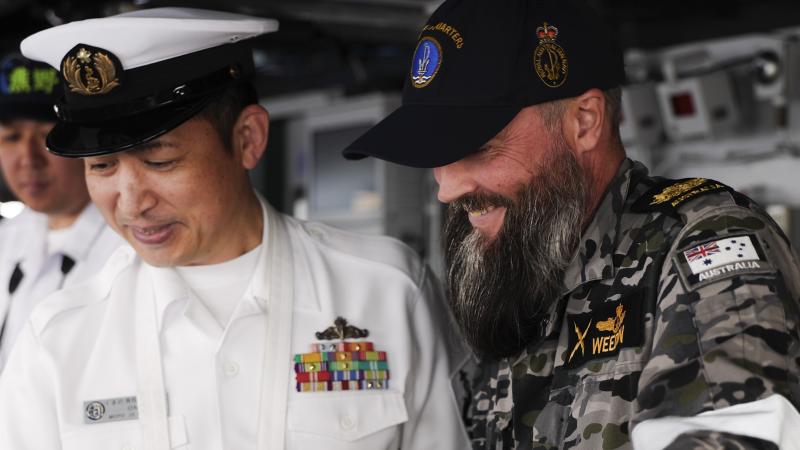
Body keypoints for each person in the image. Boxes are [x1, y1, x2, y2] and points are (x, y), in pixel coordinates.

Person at [0, 7, 470, 450]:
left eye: (160, 161)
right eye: (101, 166)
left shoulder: (385, 290)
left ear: (248, 139)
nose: (131, 203)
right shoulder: (59, 340)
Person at [343, 0, 800, 448]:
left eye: (476, 145)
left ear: (585, 120)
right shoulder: (501, 260)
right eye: (435, 152)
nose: (447, 187)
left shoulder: (703, 241)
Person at [0, 51, 123, 372]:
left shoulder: (132, 244)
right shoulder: (6, 240)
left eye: (46, 136)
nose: (27, 158)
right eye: (11, 137)